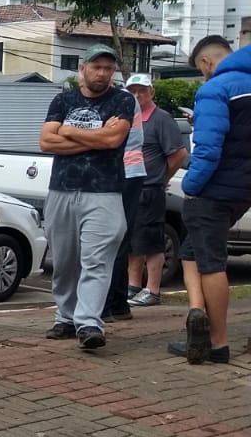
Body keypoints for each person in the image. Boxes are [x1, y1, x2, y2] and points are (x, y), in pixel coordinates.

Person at [40, 45, 137, 351]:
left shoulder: (123, 99)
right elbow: (46, 141)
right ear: (82, 69)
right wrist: (95, 141)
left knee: (96, 260)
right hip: (61, 190)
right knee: (65, 261)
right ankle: (65, 317)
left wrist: (68, 131)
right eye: (97, 67)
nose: (103, 73)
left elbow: (113, 139)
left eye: (109, 68)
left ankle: (89, 323)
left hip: (105, 192)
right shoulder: (63, 99)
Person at [169, 35, 251, 363]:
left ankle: (217, 343)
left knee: (212, 262)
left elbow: (208, 148)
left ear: (206, 63)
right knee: (191, 251)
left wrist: (191, 184)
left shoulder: (215, 89)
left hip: (213, 190)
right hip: (243, 192)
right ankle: (196, 312)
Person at [122, 73, 188, 305]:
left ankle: (153, 290)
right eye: (133, 91)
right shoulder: (128, 117)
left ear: (152, 92)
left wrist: (162, 178)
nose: (137, 95)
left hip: (150, 189)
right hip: (130, 188)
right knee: (133, 241)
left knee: (151, 241)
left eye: (142, 90)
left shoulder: (161, 118)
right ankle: (133, 286)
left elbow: (178, 154)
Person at [102, 78, 146, 322]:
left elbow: (109, 138)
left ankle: (107, 304)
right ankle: (118, 303)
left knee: (112, 238)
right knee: (120, 237)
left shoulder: (121, 101)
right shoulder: (124, 100)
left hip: (123, 172)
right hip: (130, 172)